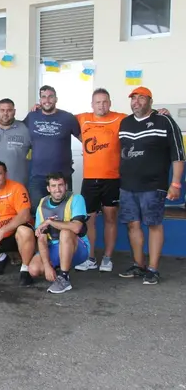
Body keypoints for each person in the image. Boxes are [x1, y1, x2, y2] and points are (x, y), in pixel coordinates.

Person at [118, 86, 185, 285]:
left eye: (141, 98)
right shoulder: (125, 123)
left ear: (150, 101)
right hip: (127, 186)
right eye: (133, 98)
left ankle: (153, 269)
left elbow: (178, 154)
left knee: (154, 225)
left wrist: (175, 184)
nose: (136, 102)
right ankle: (139, 265)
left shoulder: (164, 121)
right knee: (133, 225)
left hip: (153, 186)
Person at [73, 88, 128, 273]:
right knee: (89, 220)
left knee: (111, 218)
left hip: (112, 179)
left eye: (105, 101)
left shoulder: (120, 118)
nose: (101, 105)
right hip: (89, 179)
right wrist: (37, 108)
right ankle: (90, 257)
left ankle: (107, 257)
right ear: (92, 104)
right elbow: (59, 119)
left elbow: (141, 119)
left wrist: (159, 113)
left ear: (110, 103)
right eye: (97, 102)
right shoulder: (83, 118)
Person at [28, 172, 90, 294]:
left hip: (78, 247)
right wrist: (47, 266)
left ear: (65, 186)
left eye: (60, 185)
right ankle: (56, 268)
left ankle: (64, 277)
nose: (57, 189)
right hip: (54, 245)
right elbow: (41, 237)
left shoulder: (76, 199)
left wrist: (50, 222)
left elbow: (77, 227)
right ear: (48, 188)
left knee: (66, 232)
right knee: (34, 270)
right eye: (54, 186)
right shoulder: (43, 203)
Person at [24, 85, 81, 216]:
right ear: (40, 100)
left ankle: (63, 237)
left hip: (62, 176)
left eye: (50, 96)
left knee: (65, 213)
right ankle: (40, 237)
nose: (47, 100)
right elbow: (16, 127)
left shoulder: (67, 118)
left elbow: (84, 139)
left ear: (56, 99)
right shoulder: (32, 117)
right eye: (43, 97)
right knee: (38, 213)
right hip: (37, 176)